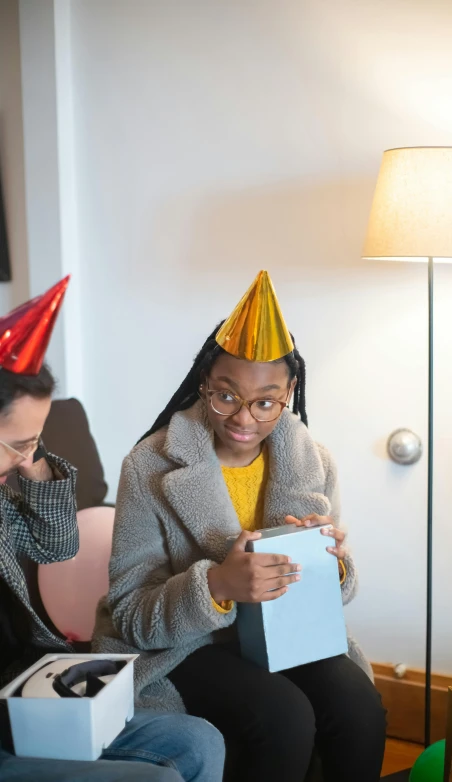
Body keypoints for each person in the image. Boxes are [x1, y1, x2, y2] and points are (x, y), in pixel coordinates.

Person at [95, 270, 387, 781]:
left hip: (286, 634)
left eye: (266, 401)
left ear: (290, 391)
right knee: (284, 717)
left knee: (358, 706)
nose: (244, 419)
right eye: (226, 395)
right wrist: (218, 585)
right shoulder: (148, 466)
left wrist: (333, 567)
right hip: (189, 645)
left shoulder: (312, 460)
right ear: (203, 382)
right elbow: (129, 613)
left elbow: (335, 596)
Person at [0, 279, 225, 782]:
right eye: (17, 444)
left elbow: (57, 546)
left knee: (200, 741)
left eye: (34, 442)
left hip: (33, 700)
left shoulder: (5, 493)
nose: (24, 458)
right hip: (14, 723)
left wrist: (32, 462)